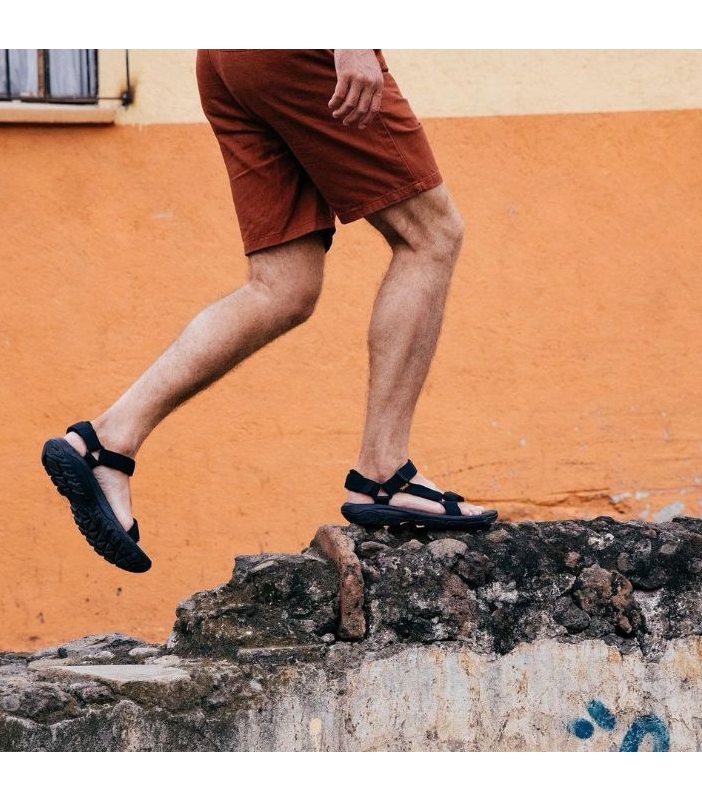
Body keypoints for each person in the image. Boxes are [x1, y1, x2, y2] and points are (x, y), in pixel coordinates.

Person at [41, 49, 498, 574]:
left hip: (228, 58)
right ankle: (384, 471)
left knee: (283, 285)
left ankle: (107, 441)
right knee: (432, 235)